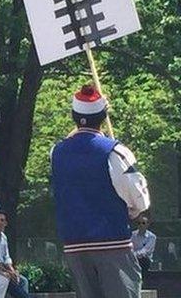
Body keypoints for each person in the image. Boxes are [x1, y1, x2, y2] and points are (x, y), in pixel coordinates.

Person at [51, 84, 151, 298]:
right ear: (104, 116)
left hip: (74, 244)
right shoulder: (115, 151)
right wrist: (132, 211)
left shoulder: (56, 153)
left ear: (73, 116)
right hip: (112, 241)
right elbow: (140, 199)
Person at [0, 210, 30, 298]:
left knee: (23, 280)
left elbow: (7, 257)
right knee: (9, 279)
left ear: (5, 223)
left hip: (4, 268)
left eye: (2, 220)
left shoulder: (4, 237)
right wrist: (6, 272)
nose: (0, 222)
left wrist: (12, 270)